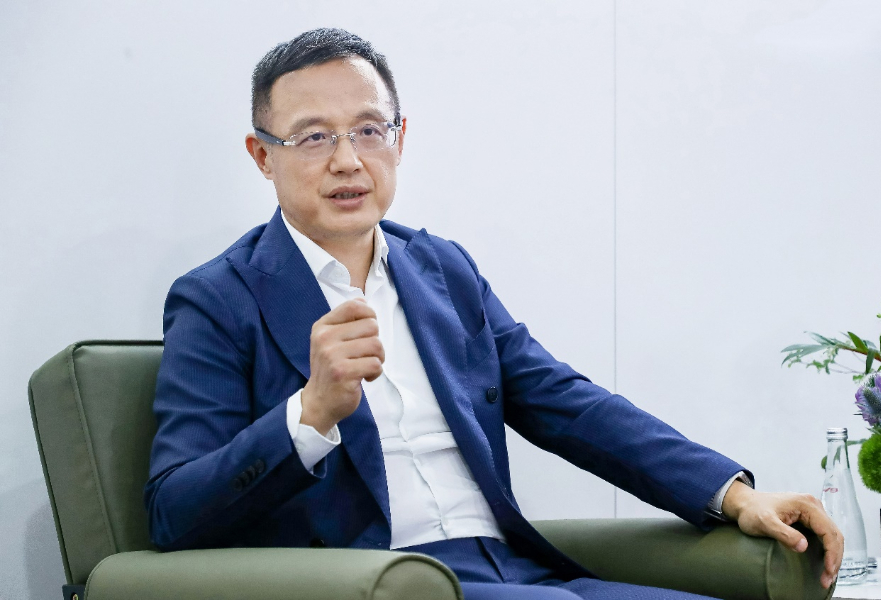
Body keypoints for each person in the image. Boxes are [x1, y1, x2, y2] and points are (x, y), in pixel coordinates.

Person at [144, 28, 843, 600]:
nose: (349, 160)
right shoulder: (218, 298)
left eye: (368, 130)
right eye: (314, 137)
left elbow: (568, 404)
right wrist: (310, 412)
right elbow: (173, 512)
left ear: (400, 139)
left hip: (517, 571)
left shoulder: (442, 269)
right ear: (262, 157)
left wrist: (732, 495)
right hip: (380, 583)